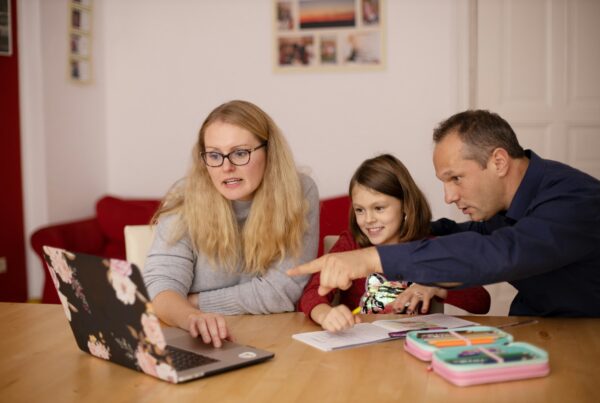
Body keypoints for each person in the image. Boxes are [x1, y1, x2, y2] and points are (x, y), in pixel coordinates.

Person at [289, 110, 600, 317]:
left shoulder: (574, 200)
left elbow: (500, 252)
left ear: (499, 162)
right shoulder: (500, 208)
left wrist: (374, 257)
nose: (449, 196)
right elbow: (464, 234)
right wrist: (401, 234)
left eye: (456, 178)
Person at [144, 100, 319, 347]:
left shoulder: (299, 191)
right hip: (196, 340)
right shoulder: (184, 196)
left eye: (240, 153)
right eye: (214, 155)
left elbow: (282, 292)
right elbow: (161, 289)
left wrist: (193, 301)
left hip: (274, 341)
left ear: (269, 152)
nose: (226, 167)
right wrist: (192, 316)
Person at [298, 154, 490, 332]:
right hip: (359, 352)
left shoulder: (428, 248)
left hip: (412, 348)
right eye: (360, 210)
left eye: (379, 208)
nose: (369, 219)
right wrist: (326, 314)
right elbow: (312, 294)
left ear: (405, 206)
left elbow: (481, 301)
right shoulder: (350, 245)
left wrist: (437, 285)